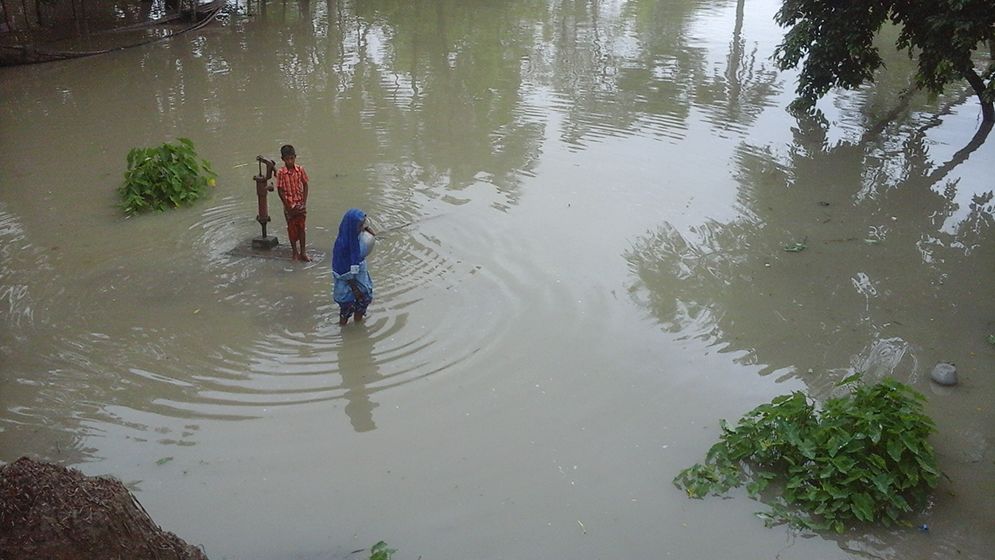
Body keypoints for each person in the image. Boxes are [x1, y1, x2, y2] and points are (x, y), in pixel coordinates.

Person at [332, 208, 377, 325]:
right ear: (352, 226)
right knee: (346, 308)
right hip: (348, 284)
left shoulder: (356, 236)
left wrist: (366, 228)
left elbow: (371, 233)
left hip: (360, 278)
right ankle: (343, 328)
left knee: (362, 304)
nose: (362, 228)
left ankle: (358, 325)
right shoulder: (342, 246)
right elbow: (341, 270)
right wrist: (355, 289)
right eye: (360, 225)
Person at [275, 144, 310, 261]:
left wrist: (304, 202)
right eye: (287, 159)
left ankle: (303, 252)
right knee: (291, 229)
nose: (290, 161)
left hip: (300, 204)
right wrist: (287, 206)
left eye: (291, 158)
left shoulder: (300, 170)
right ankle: (295, 252)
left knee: (302, 228)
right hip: (289, 205)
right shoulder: (281, 173)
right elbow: (280, 191)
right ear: (283, 159)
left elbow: (305, 185)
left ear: (295, 157)